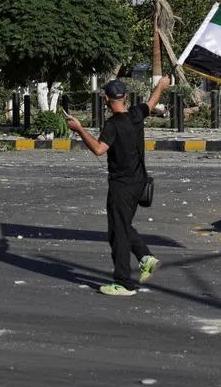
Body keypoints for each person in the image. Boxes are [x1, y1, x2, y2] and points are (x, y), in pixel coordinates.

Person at [66, 76, 171, 296]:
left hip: (121, 185)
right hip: (139, 181)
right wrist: (161, 85)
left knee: (118, 233)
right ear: (124, 97)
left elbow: (98, 149)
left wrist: (79, 129)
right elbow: (151, 102)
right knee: (121, 225)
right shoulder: (135, 115)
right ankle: (145, 257)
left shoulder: (112, 125)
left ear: (106, 98)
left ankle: (124, 282)